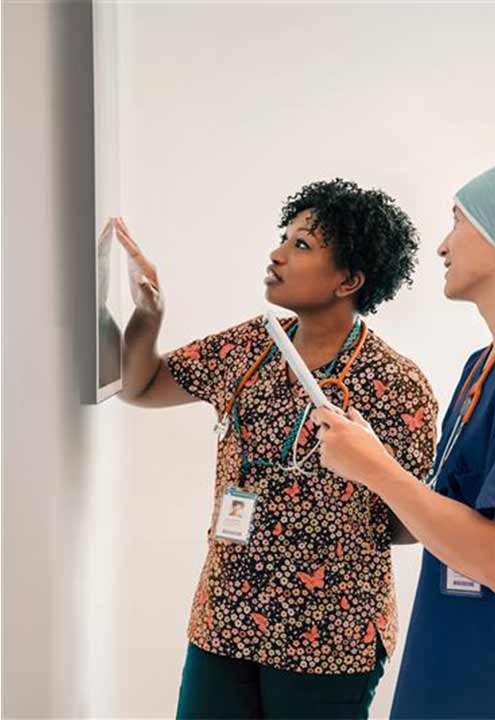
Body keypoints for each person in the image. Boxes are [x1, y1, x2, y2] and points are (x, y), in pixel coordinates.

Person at [118, 179, 439, 719]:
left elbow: (409, 525)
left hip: (329, 639)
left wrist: (365, 471)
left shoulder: (397, 384)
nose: (277, 254)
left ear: (350, 280)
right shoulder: (250, 345)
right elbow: (141, 386)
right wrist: (148, 316)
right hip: (226, 620)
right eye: (284, 238)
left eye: (303, 246)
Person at [313, 162, 495, 719]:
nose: (443, 246)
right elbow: (450, 516)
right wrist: (358, 469)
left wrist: (379, 469)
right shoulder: (486, 364)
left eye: (457, 221)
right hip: (454, 662)